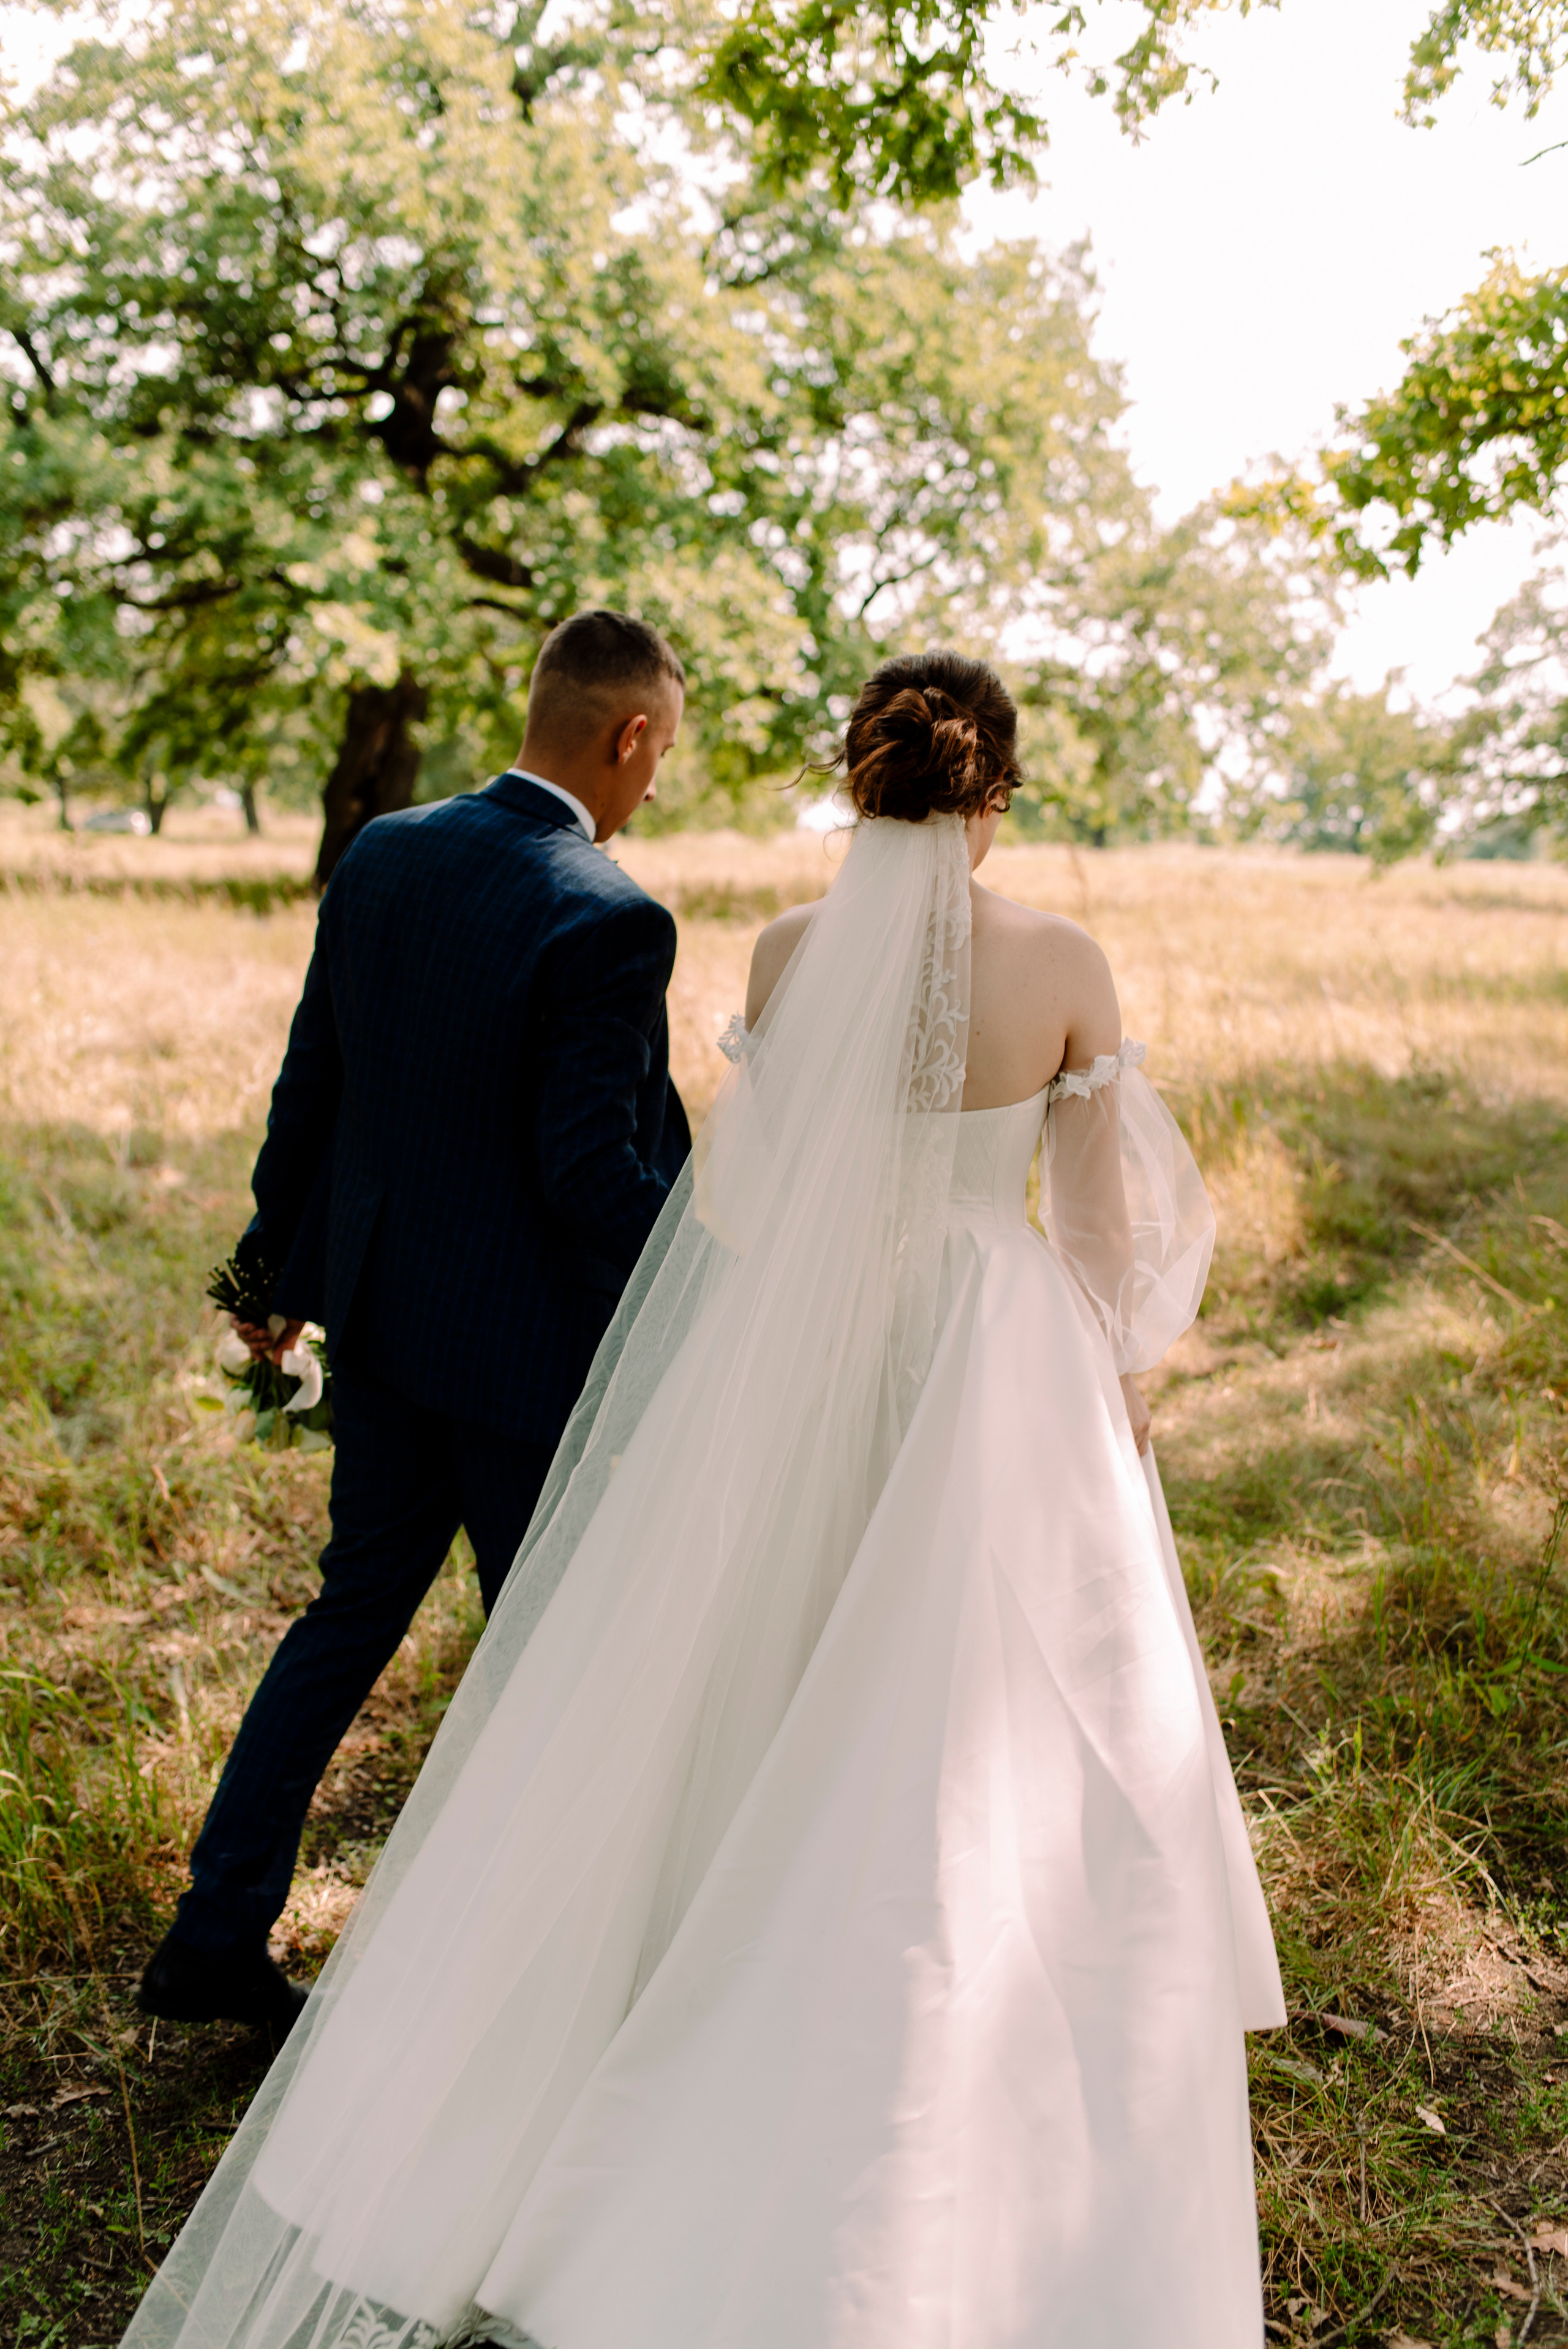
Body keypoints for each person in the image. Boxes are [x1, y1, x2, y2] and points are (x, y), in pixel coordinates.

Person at [124, 651, 1285, 2349]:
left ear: (858, 780)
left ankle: (669, 1994)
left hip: (806, 1359)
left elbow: (737, 1194)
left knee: (756, 1675)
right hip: (988, 1355)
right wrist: (1099, 1381)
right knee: (974, 1710)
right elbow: (1117, 1236)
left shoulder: (784, 952)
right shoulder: (1063, 961)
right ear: (997, 800)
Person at [137, 608, 692, 2032]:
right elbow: (587, 1174)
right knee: (548, 1659)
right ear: (627, 736)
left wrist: (268, 1286)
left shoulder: (384, 852)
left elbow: (308, 1089)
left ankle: (214, 1934)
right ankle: (539, 1991)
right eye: (659, 759)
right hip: (524, 1370)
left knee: (342, 1625)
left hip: (382, 1335)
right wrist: (699, 1287)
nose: (651, 792)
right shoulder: (609, 914)